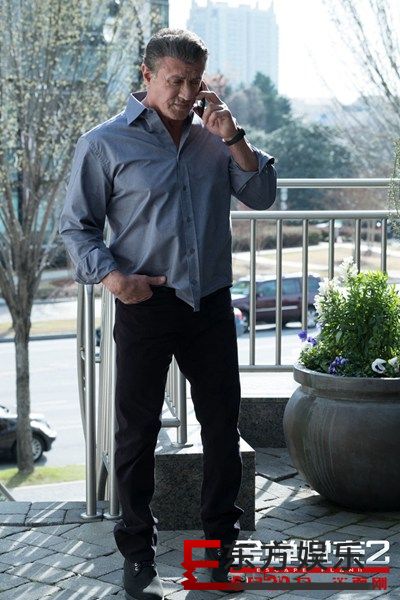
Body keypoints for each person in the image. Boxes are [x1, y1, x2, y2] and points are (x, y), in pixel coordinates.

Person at [60, 28, 276, 600]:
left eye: (194, 82)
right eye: (175, 81)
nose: (185, 93)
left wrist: (236, 138)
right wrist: (114, 279)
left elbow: (261, 196)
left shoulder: (216, 138)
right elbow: (77, 227)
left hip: (209, 305)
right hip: (145, 304)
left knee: (222, 430)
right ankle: (138, 559)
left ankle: (219, 555)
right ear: (147, 76)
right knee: (136, 435)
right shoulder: (104, 144)